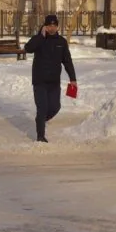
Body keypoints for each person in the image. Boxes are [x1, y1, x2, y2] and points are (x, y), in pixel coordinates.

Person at [24, 14, 77, 143]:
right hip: (40, 81)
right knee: (42, 108)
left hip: (54, 82)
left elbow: (67, 61)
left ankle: (40, 120)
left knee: (55, 107)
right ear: (45, 26)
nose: (52, 28)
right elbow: (28, 48)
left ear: (57, 26)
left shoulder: (61, 42)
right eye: (49, 26)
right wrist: (41, 36)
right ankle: (40, 136)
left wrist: (73, 79)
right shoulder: (39, 39)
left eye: (54, 25)